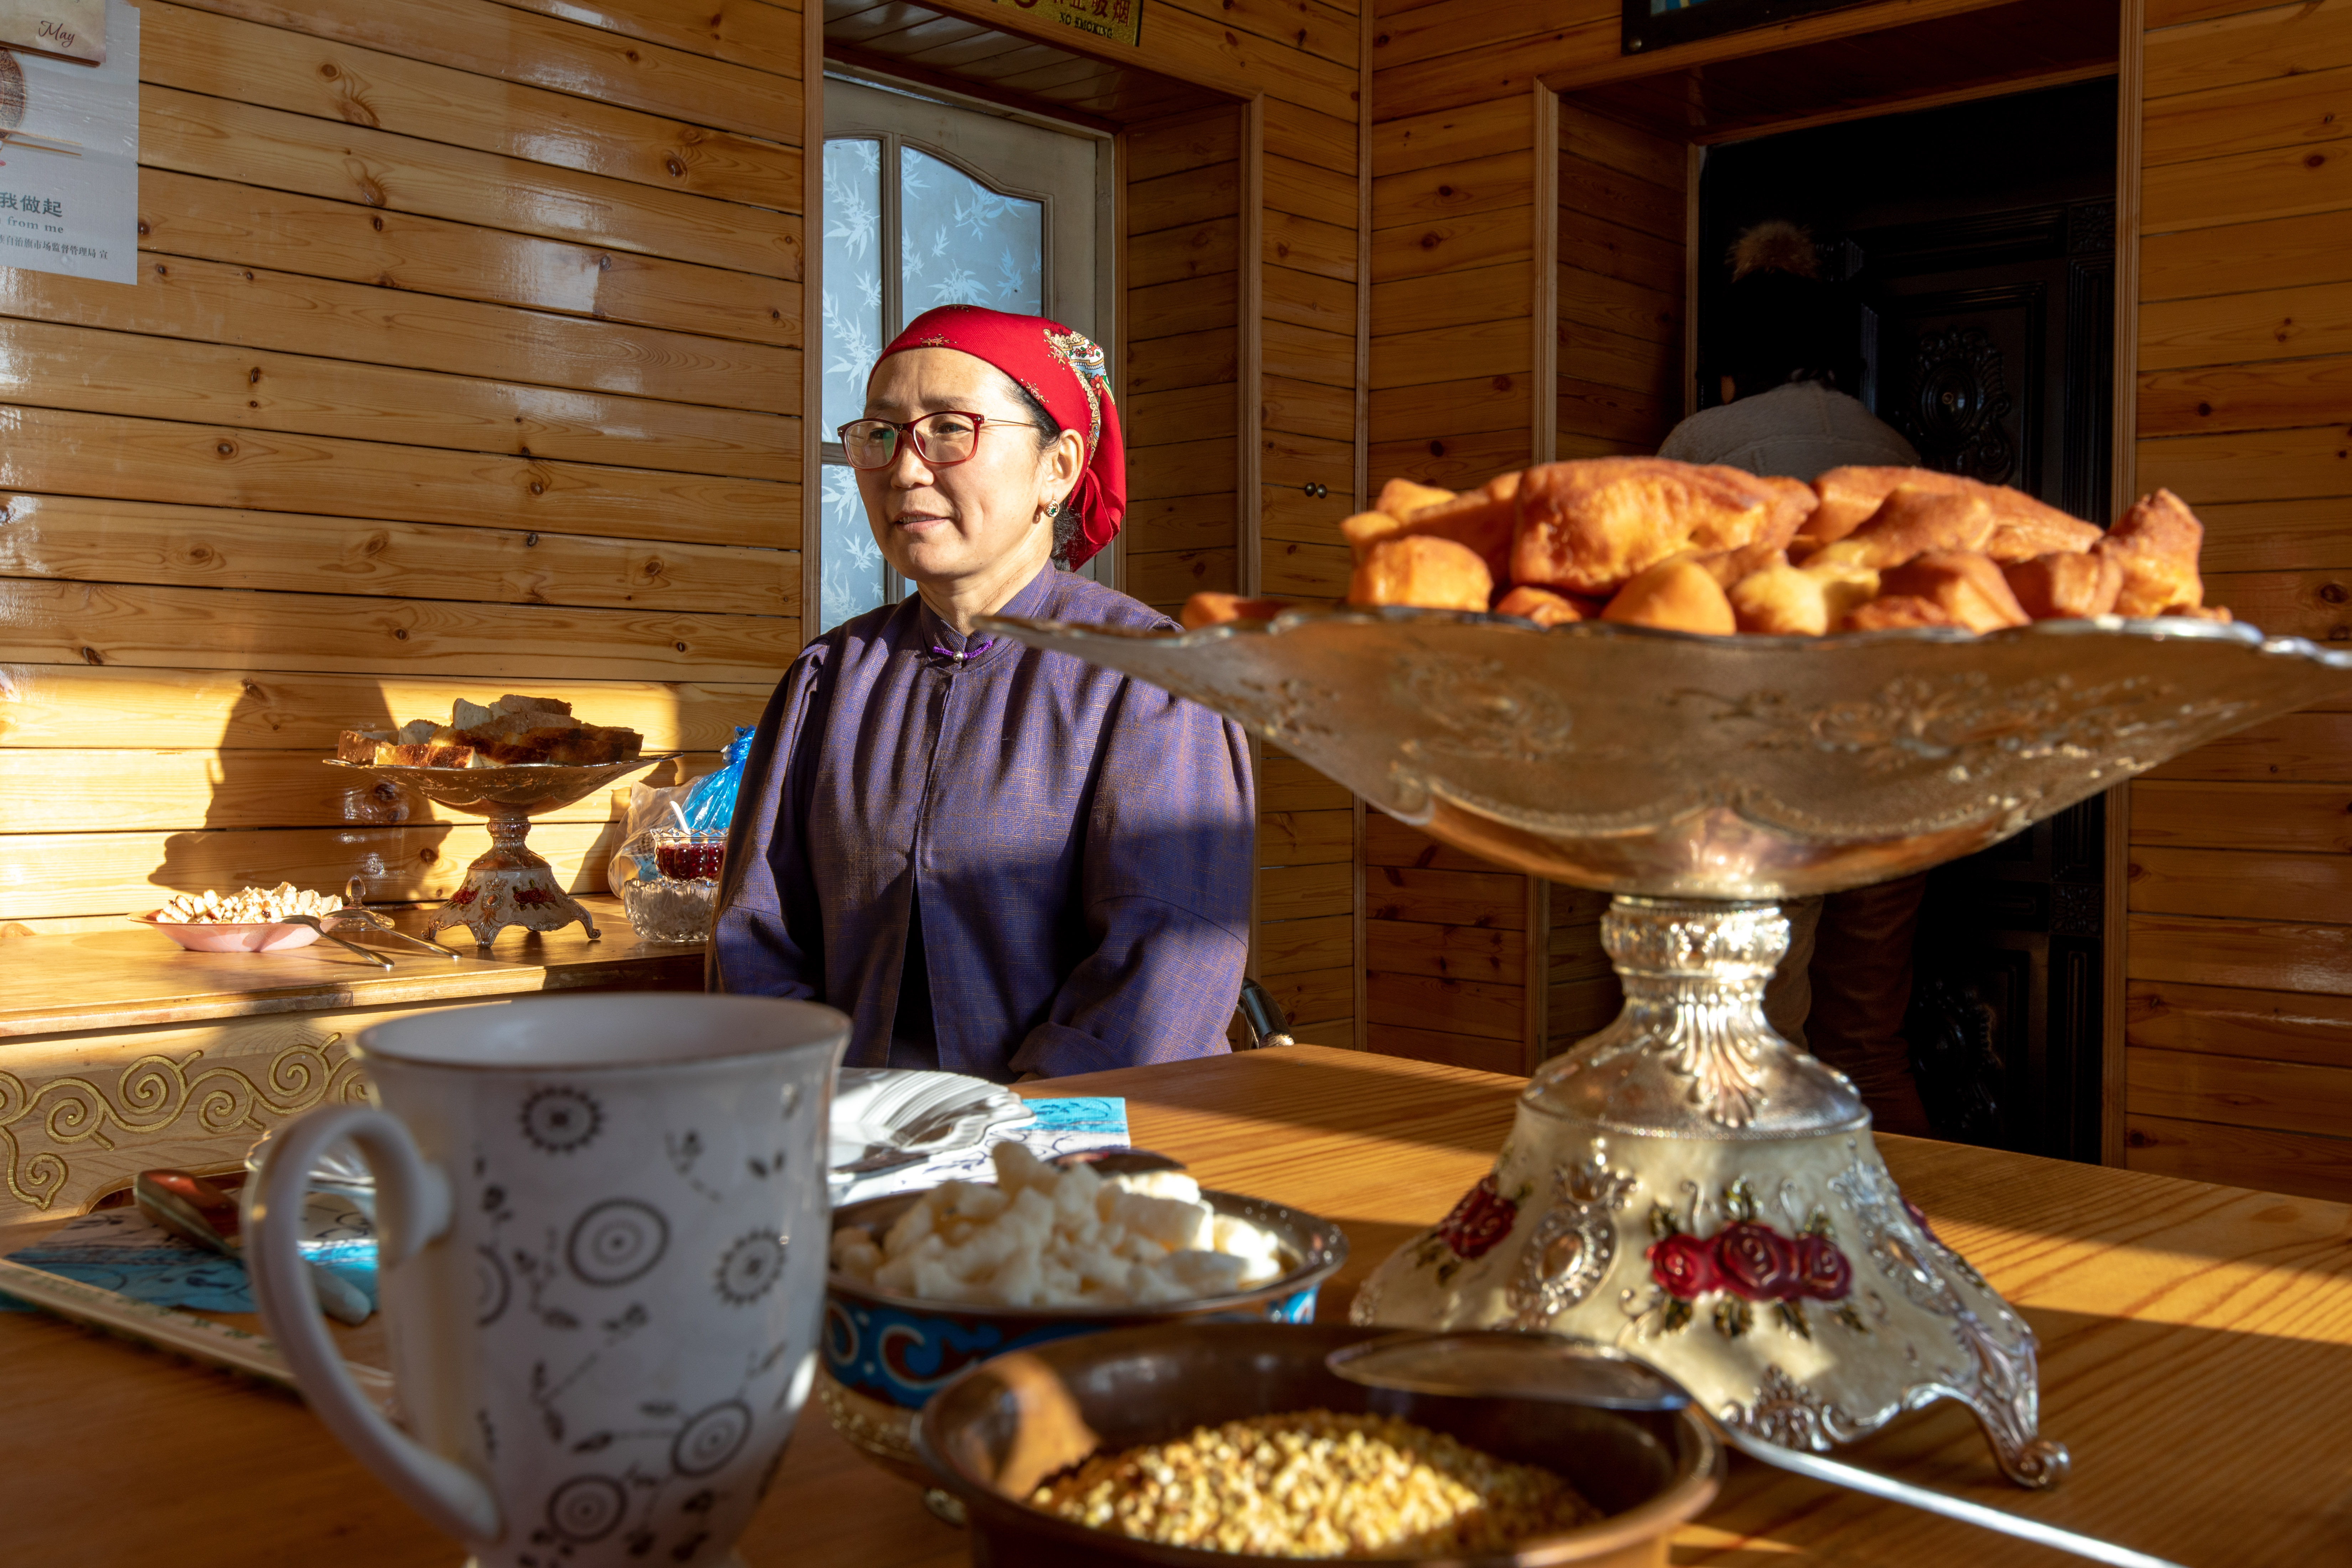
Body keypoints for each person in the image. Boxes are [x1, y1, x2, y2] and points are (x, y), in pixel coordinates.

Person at [709, 304, 1255, 1081]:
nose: (904, 468)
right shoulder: (828, 680)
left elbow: (1169, 952)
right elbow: (753, 932)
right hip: (854, 1137)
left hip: (1080, 1148)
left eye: (948, 429)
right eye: (881, 433)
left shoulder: (1147, 677)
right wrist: (808, 1100)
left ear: (1057, 468)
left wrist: (1016, 1122)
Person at [1657, 221, 1934, 1136]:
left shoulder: (1700, 443)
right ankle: (1923, 1245)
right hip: (1891, 771)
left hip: (1768, 776)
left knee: (1757, 1043)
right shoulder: (1890, 444)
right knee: (1869, 1039)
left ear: (1731, 353)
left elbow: (1659, 615)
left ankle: (1756, 1260)